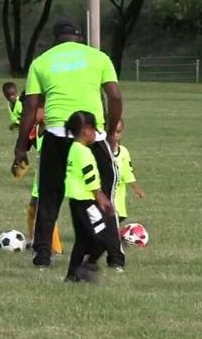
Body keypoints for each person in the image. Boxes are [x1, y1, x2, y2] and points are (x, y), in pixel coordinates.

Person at [13, 19, 124, 269]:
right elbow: (115, 96)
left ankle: (42, 256)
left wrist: (21, 145)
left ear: (56, 39)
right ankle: (115, 258)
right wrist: (108, 131)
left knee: (49, 197)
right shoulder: (99, 58)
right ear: (79, 38)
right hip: (90, 136)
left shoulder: (41, 62)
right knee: (103, 195)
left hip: (56, 134)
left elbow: (31, 107)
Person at [63, 111, 119, 283]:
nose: (96, 133)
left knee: (81, 240)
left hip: (75, 201)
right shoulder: (85, 153)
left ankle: (71, 276)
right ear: (87, 130)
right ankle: (88, 266)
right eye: (94, 129)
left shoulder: (74, 149)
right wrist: (100, 197)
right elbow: (90, 176)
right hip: (86, 201)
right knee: (104, 238)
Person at [25, 107, 63, 255]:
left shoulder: (53, 132)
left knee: (45, 210)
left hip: (50, 176)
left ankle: (54, 247)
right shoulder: (37, 131)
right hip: (40, 176)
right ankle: (35, 240)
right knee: (32, 209)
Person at [112, 119, 145, 224]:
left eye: (118, 132)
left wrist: (136, 188)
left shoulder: (124, 152)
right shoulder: (100, 151)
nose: (115, 135)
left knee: (116, 220)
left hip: (119, 198)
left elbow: (127, 172)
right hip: (105, 197)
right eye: (112, 132)